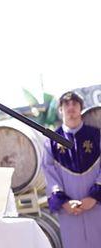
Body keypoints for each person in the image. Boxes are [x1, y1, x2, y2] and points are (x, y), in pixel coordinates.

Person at [42, 91, 101, 248]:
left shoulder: (96, 135)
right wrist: (64, 202)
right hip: (69, 211)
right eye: (66, 104)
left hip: (97, 206)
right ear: (60, 110)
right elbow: (48, 172)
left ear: (81, 108)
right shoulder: (51, 141)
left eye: (75, 103)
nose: (71, 107)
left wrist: (95, 196)